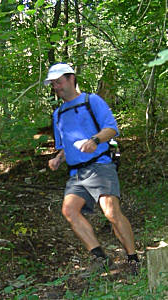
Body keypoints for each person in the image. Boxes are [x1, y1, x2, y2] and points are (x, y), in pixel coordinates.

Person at [45, 63, 139, 275]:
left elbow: (112, 128)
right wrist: (58, 159)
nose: (56, 87)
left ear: (71, 79)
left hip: (99, 165)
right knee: (69, 210)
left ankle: (133, 258)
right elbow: (64, 147)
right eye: (53, 84)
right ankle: (100, 258)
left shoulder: (91, 101)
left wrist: (95, 140)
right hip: (76, 173)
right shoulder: (58, 114)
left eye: (58, 82)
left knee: (111, 212)